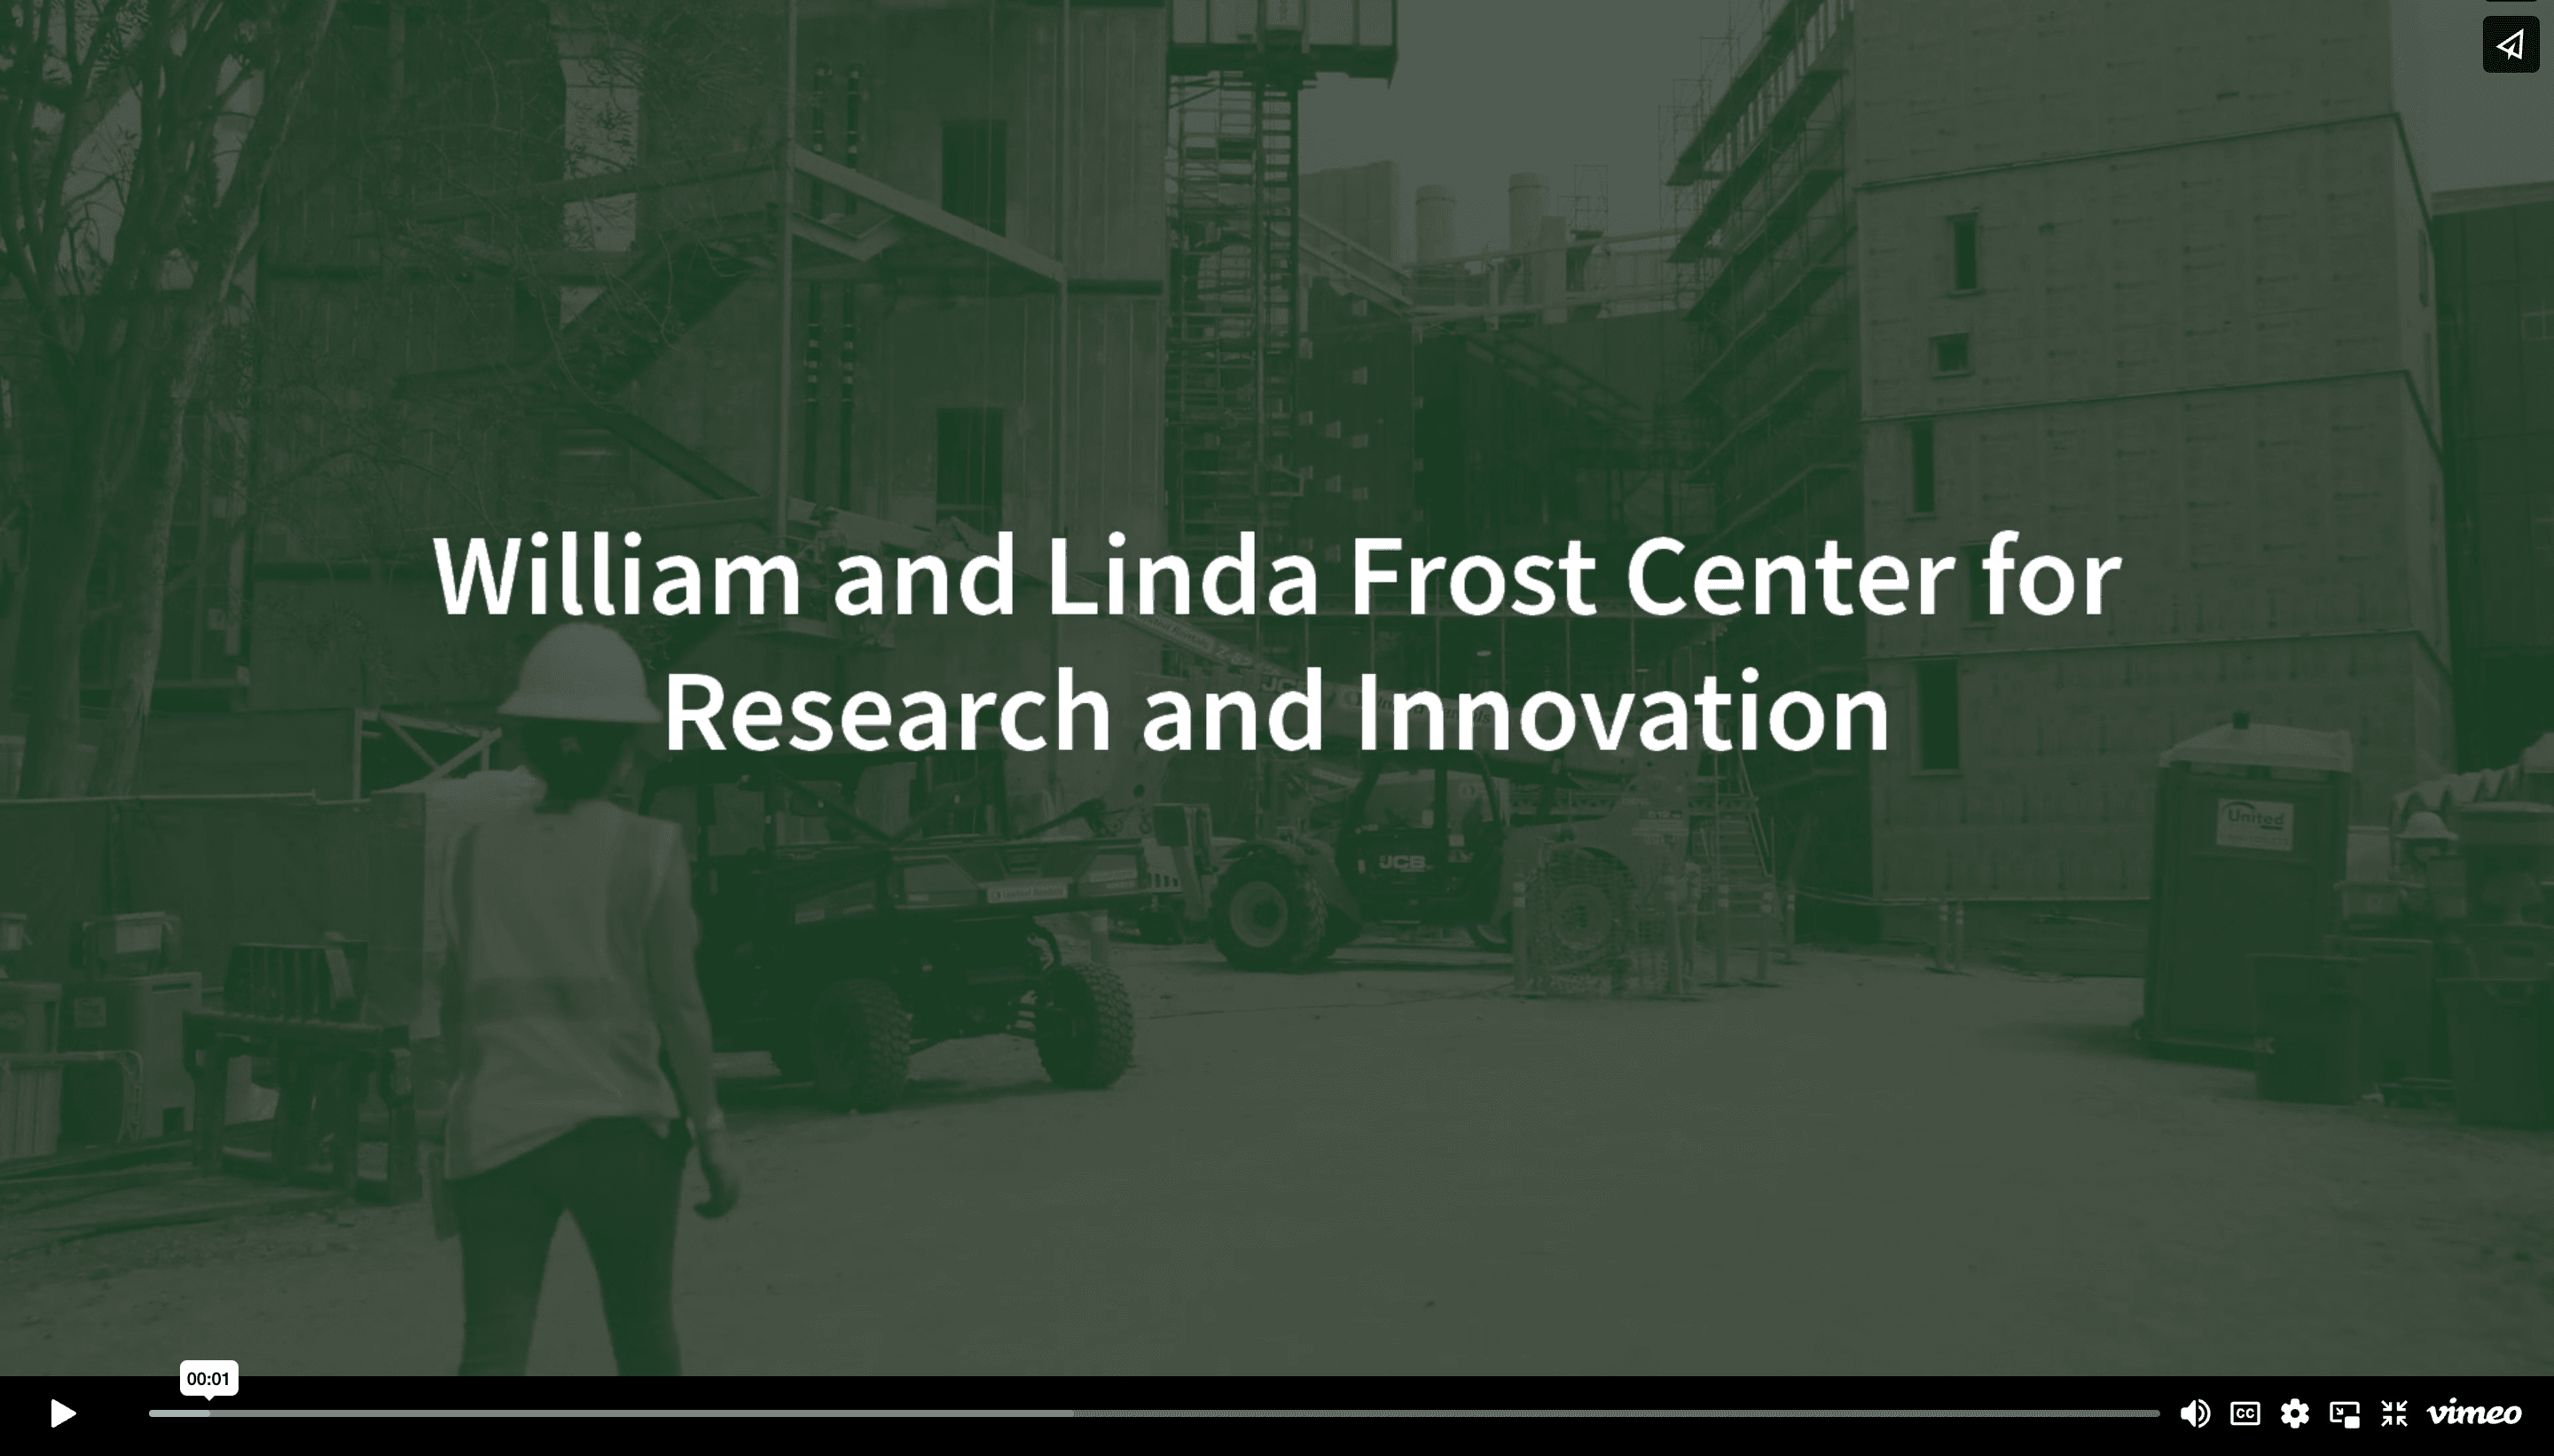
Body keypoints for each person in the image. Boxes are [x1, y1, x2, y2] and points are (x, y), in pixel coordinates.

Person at [433, 623, 741, 1376]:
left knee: (492, 1348)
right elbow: (682, 1008)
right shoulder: (651, 850)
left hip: (498, 1132)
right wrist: (711, 1131)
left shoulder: (472, 854)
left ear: (529, 743)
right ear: (626, 749)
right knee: (643, 1340)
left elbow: (453, 1008)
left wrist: (438, 1129)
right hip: (623, 1134)